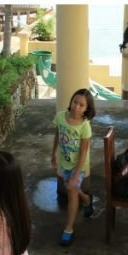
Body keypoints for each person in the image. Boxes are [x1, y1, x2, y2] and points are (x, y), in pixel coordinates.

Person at [52, 88, 96, 246]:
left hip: (79, 165)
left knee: (71, 191)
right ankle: (86, 199)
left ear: (86, 109)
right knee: (72, 188)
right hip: (64, 163)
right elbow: (57, 135)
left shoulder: (85, 126)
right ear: (71, 101)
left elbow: (84, 151)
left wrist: (77, 174)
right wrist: (53, 154)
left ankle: (68, 229)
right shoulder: (60, 117)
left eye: (81, 105)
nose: (77, 107)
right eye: (75, 102)